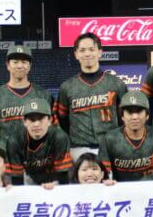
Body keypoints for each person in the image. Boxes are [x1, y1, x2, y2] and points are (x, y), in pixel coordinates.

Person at [54, 33, 128, 161]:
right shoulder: (67, 87)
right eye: (82, 50)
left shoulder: (116, 84)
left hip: (110, 146)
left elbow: (124, 117)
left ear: (100, 52)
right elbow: (63, 119)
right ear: (76, 54)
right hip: (78, 148)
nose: (87, 54)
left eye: (91, 49)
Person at [0, 45, 53, 144]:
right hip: (6, 152)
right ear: (8, 65)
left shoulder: (44, 95)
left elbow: (52, 129)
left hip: (37, 152)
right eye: (15, 62)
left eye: (24, 62)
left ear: (29, 66)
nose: (20, 66)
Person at [3, 97, 72, 187]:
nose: (36, 124)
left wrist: (55, 185)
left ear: (49, 120)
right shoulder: (15, 141)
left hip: (54, 180)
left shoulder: (59, 137)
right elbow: (17, 177)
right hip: (29, 178)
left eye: (40, 119)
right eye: (32, 120)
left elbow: (63, 175)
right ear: (24, 121)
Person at [97, 90, 153, 182]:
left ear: (147, 115)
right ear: (122, 116)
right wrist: (106, 180)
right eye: (130, 112)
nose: (134, 117)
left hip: (150, 188)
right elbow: (103, 173)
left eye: (139, 111)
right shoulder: (109, 139)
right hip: (119, 189)